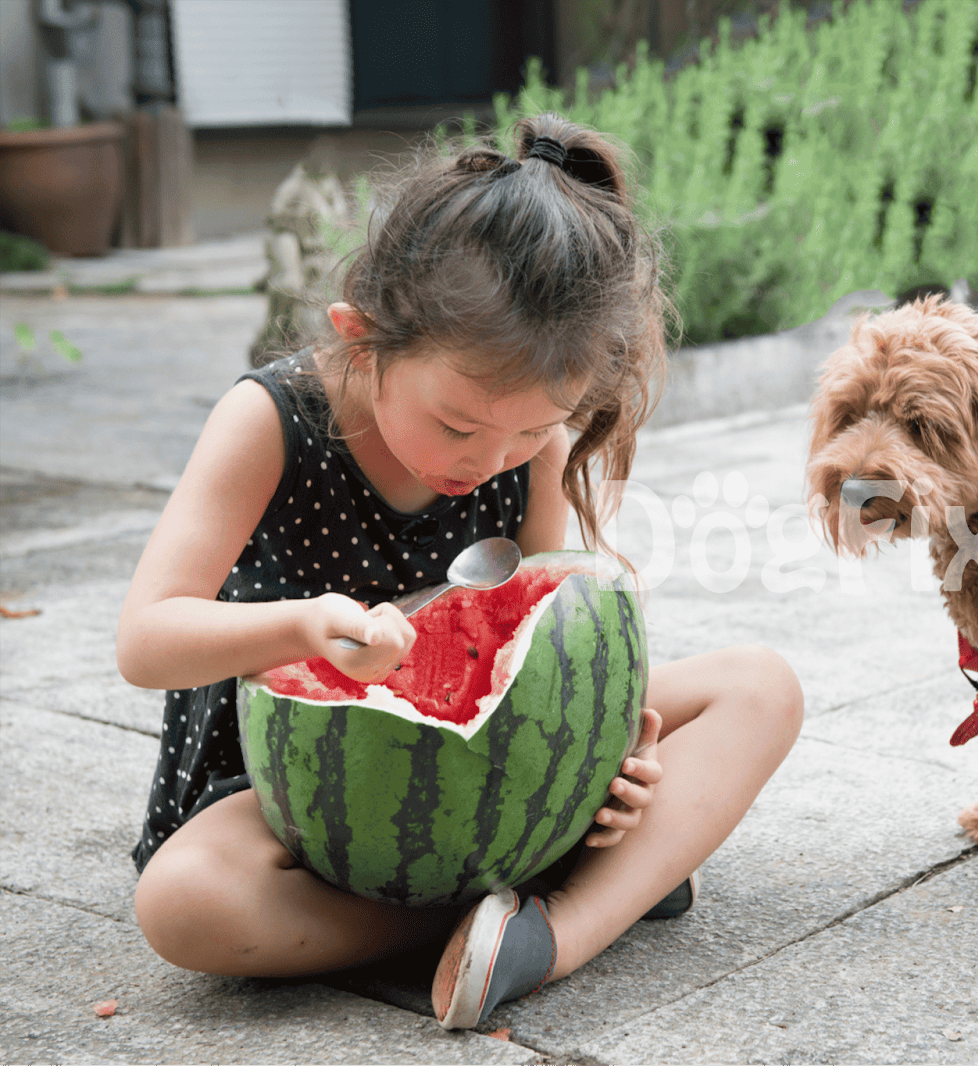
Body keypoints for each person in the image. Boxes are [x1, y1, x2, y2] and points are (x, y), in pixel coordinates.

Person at [117, 113, 804, 1030]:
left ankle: (556, 934)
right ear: (361, 339)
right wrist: (301, 627)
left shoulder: (536, 448)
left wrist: (613, 748)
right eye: (457, 426)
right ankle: (550, 898)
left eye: (531, 430)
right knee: (185, 906)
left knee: (763, 687)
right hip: (293, 796)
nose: (491, 460)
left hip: (493, 768)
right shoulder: (268, 422)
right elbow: (146, 640)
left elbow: (548, 648)